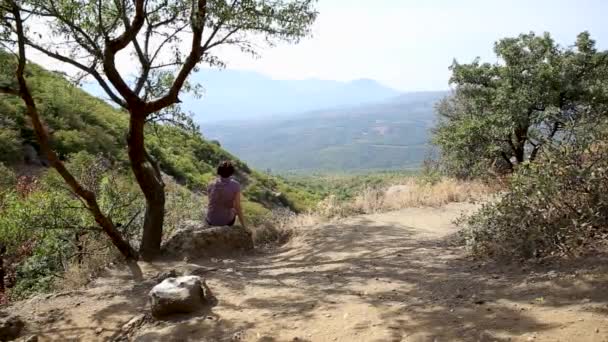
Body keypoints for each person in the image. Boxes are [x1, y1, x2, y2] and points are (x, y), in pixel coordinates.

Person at [206, 160, 246, 228]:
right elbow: (238, 207)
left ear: (219, 171)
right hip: (226, 222)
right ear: (231, 172)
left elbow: (211, 201)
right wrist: (244, 226)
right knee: (234, 210)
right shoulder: (235, 185)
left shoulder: (211, 184)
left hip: (210, 220)